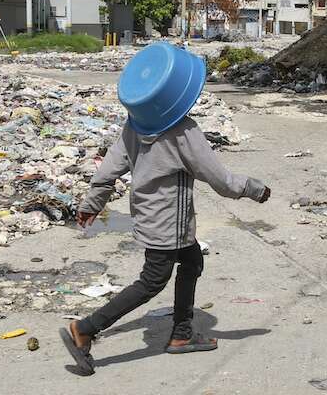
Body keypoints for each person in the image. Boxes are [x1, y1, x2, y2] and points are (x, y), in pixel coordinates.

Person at [60, 42, 270, 376]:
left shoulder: (134, 125)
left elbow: (107, 171)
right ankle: (85, 329)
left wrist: (91, 204)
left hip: (149, 217)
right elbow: (221, 180)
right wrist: (256, 190)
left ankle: (182, 334)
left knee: (192, 260)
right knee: (151, 282)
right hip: (168, 225)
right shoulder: (183, 131)